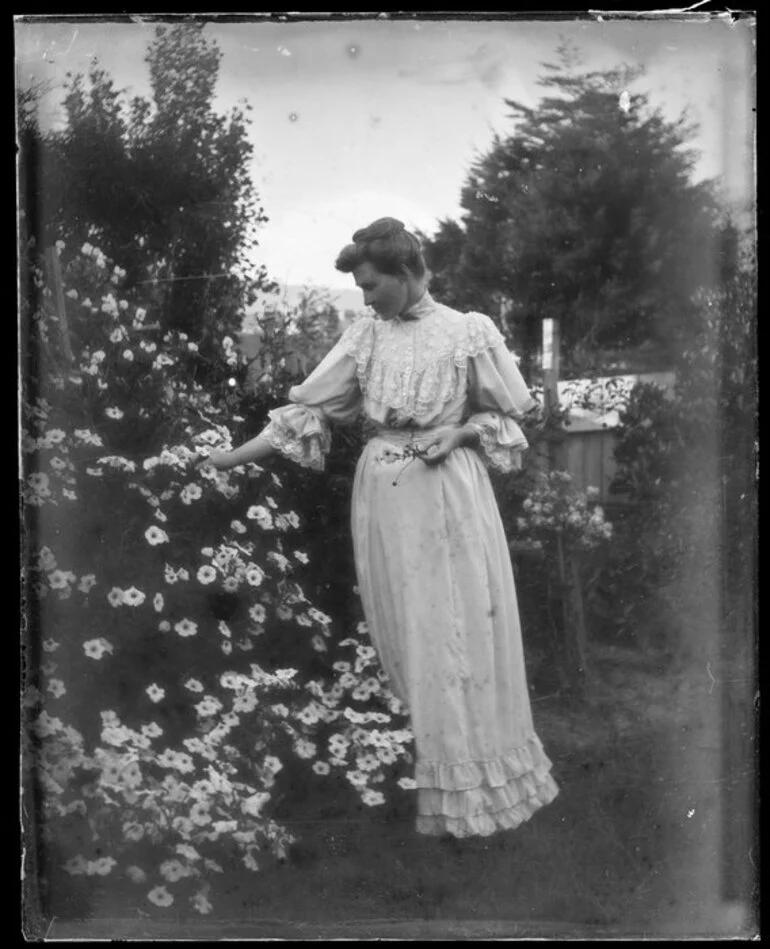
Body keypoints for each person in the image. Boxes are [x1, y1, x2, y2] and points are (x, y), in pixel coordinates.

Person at [203, 217, 559, 838]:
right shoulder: (365, 336)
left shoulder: (468, 333)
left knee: (461, 626)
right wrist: (232, 457)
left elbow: (515, 421)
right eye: (360, 287)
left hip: (450, 493)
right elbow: (306, 412)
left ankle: (477, 789)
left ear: (405, 272)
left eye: (372, 285)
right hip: (385, 497)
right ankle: (417, 780)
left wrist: (463, 432)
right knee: (408, 631)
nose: (364, 298)